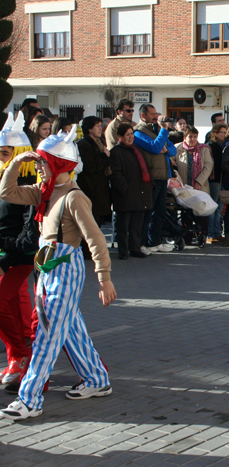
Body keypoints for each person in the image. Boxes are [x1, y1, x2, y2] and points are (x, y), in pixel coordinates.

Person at [0, 127, 117, 420]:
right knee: (70, 329)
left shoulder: (74, 197)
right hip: (47, 267)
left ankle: (29, 399)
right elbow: (6, 191)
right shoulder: (45, 191)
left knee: (47, 334)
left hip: (64, 267)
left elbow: (96, 239)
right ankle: (96, 379)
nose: (37, 168)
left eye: (42, 163)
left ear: (58, 164)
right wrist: (16, 162)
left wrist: (104, 278)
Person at [0, 113, 38, 389]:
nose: (1, 158)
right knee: (10, 305)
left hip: (17, 258)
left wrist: (8, 252)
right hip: (4, 255)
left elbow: (29, 230)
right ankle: (19, 357)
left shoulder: (28, 185)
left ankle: (23, 356)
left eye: (5, 153)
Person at [134, 104, 176, 253]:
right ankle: (143, 242)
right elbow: (154, 148)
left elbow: (172, 149)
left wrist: (166, 148)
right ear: (143, 115)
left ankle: (155, 241)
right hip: (150, 177)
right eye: (152, 114)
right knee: (148, 212)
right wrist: (164, 130)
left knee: (160, 211)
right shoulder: (138, 132)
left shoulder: (157, 130)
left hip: (163, 176)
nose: (155, 117)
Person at [109, 123, 152, 259]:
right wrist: (124, 188)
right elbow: (115, 173)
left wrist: (150, 185)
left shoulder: (137, 150)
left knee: (136, 225)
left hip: (139, 192)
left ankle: (135, 248)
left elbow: (146, 169)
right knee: (123, 226)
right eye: (127, 134)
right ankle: (123, 251)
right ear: (120, 136)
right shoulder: (116, 152)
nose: (130, 137)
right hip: (125, 194)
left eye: (132, 134)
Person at [77, 116, 112, 226]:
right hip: (90, 188)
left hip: (100, 188)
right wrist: (104, 156)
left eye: (100, 125)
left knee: (98, 222)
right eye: (97, 126)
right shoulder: (84, 144)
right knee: (90, 223)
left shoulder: (100, 142)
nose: (100, 128)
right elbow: (90, 166)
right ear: (89, 129)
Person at [206, 123, 229, 243]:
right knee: (212, 207)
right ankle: (210, 234)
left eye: (225, 132)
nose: (224, 134)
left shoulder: (223, 145)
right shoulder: (212, 146)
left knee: (219, 208)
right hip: (214, 179)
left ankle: (217, 232)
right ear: (215, 133)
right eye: (222, 132)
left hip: (222, 179)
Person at [174, 126, 214, 194]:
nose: (193, 139)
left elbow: (208, 166)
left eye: (195, 136)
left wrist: (199, 182)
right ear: (185, 138)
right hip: (183, 186)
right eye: (190, 136)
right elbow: (169, 160)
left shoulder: (204, 149)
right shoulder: (177, 148)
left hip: (200, 187)